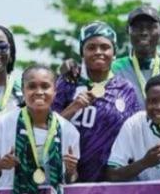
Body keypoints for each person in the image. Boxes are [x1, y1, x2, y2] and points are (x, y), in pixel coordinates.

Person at [0, 65, 80, 194]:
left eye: (45, 86)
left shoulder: (68, 131)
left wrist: (71, 171)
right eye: (32, 86)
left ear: (55, 90)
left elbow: (72, 179)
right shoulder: (4, 123)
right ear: (23, 90)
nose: (39, 92)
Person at [51, 22, 142, 182]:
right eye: (91, 47)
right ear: (82, 52)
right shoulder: (67, 83)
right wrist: (73, 107)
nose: (98, 52)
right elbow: (46, 129)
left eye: (105, 47)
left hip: (111, 181)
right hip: (69, 179)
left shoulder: (126, 89)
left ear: (114, 53)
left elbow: (134, 136)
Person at [109, 5, 160, 106]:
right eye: (137, 27)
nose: (144, 32)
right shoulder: (115, 68)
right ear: (128, 32)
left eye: (150, 27)